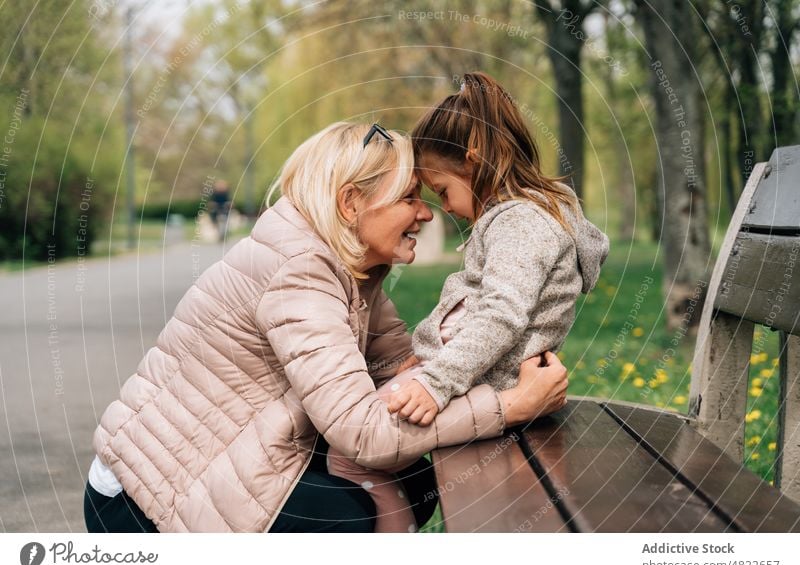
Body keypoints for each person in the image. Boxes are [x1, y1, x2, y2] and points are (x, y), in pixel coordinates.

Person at [84, 121, 569, 533]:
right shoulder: (301, 272)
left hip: (244, 453)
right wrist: (509, 405)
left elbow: (396, 368)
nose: (426, 212)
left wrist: (461, 364)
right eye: (408, 198)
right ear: (350, 203)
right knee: (347, 517)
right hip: (144, 495)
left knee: (417, 485)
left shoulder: (351, 268)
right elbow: (366, 434)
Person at [327, 73, 609, 532]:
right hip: (471, 377)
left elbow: (501, 314)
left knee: (350, 454)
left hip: (478, 384)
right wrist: (424, 357)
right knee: (359, 450)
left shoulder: (521, 223)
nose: (447, 208)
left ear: (474, 162)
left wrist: (436, 380)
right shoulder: (523, 215)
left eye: (443, 191)